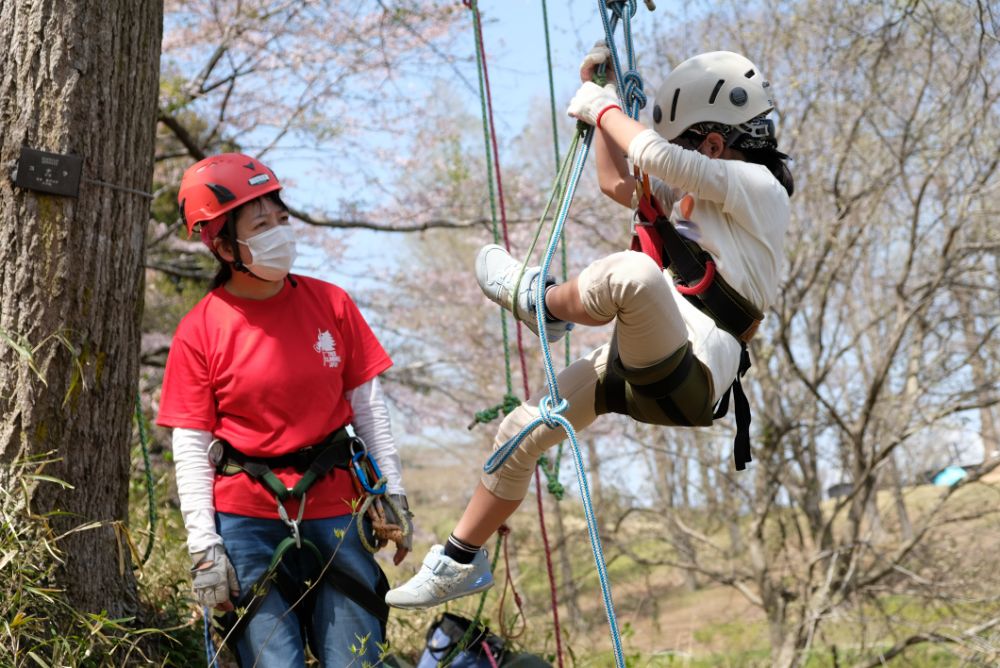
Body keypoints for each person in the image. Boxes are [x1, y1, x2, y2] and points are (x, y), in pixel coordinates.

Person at [385, 48, 792, 609]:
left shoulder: (760, 189)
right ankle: (459, 559)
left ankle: (545, 305)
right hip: (647, 361)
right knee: (520, 433)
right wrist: (599, 108)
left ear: (714, 145)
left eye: (686, 146)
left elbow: (653, 154)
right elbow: (615, 180)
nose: (677, 157)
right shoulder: (696, 199)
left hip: (692, 375)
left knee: (633, 273)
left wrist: (604, 110)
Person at [157, 153, 413, 665]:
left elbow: (368, 409)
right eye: (261, 223)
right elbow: (189, 445)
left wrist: (393, 491)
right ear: (222, 243)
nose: (278, 232)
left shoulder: (331, 304)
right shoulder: (201, 330)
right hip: (247, 520)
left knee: (356, 658)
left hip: (337, 509)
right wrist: (205, 548)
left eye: (281, 218)